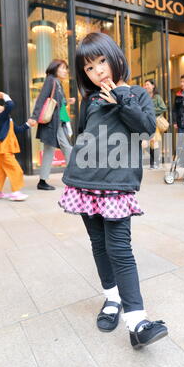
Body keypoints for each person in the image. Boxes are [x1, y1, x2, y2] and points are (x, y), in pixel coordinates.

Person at [59, 32, 168, 349]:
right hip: (85, 182)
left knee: (120, 249)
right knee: (98, 244)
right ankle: (111, 299)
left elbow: (146, 128)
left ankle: (137, 322)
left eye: (101, 61)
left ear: (114, 56)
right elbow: (83, 136)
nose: (98, 71)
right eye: (89, 68)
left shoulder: (136, 93)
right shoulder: (89, 100)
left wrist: (121, 98)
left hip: (117, 186)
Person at [0, 91, 36, 201]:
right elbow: (10, 105)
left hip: (5, 149)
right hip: (4, 149)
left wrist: (28, 124)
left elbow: (17, 130)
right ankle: (15, 192)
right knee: (16, 170)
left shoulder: (5, 119)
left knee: (2, 172)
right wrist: (4, 95)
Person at [31, 59, 76, 190]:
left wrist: (67, 101)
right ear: (55, 68)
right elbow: (42, 99)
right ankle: (73, 177)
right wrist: (34, 117)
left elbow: (57, 103)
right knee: (67, 148)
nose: (65, 71)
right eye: (62, 68)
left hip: (58, 122)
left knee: (49, 151)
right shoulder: (51, 80)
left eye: (66, 68)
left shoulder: (57, 82)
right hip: (52, 124)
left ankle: (43, 181)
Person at [143, 79, 167, 169]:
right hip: (146, 122)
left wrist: (152, 111)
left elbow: (163, 108)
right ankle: (154, 161)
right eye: (145, 85)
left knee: (154, 142)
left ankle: (155, 162)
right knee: (145, 144)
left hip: (155, 122)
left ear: (153, 86)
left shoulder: (157, 97)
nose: (146, 86)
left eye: (148, 84)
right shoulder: (144, 97)